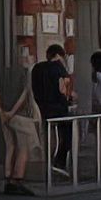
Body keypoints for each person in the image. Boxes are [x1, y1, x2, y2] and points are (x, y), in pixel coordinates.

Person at [0, 63, 40, 196]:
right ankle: (17, 179)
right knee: (24, 147)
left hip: (4, 114)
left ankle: (7, 178)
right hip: (20, 115)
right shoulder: (24, 73)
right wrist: (12, 112)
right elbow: (25, 94)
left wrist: (1, 112)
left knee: (10, 146)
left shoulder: (0, 72)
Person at [32, 44, 73, 177]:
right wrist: (70, 96)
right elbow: (63, 89)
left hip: (42, 109)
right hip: (58, 109)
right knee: (67, 135)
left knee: (49, 135)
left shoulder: (37, 68)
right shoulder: (59, 68)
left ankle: (47, 162)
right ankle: (59, 162)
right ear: (59, 55)